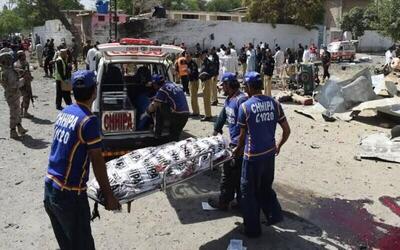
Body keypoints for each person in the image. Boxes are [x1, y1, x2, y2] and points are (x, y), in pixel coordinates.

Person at [44, 70, 121, 250]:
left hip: (50, 189)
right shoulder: (88, 121)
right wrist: (109, 196)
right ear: (94, 91)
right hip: (69, 195)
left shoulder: (66, 112)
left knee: (68, 245)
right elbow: (97, 161)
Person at [234, 71, 291, 238]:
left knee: (248, 192)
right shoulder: (274, 103)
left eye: (246, 86)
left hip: (252, 158)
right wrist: (278, 146)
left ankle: (252, 229)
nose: (245, 89)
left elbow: (242, 138)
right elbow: (287, 130)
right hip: (269, 155)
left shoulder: (245, 107)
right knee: (265, 188)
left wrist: (236, 152)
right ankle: (274, 215)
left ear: (250, 87)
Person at [209, 72, 248, 210]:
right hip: (235, 143)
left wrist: (241, 145)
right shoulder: (229, 99)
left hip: (241, 145)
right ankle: (238, 201)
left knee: (228, 173)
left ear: (229, 85)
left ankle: (224, 202)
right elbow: (222, 116)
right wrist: (215, 131)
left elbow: (248, 125)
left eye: (223, 85)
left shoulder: (241, 100)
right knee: (236, 174)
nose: (222, 88)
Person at [141, 74, 189, 141]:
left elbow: (154, 104)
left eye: (153, 84)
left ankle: (157, 133)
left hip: (177, 115)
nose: (153, 86)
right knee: (175, 136)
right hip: (185, 115)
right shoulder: (173, 85)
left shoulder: (162, 89)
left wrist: (146, 112)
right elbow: (167, 97)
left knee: (158, 107)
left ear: (155, 84)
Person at [0, 51, 28, 139]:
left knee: (17, 111)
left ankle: (19, 127)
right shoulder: (8, 72)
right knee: (14, 112)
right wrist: (23, 80)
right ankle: (13, 131)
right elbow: (14, 85)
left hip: (10, 94)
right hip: (12, 93)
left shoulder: (4, 71)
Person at [14, 50, 34, 118]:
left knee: (24, 97)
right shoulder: (22, 64)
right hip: (24, 83)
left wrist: (30, 76)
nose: (25, 56)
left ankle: (22, 112)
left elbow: (27, 72)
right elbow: (24, 73)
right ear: (20, 56)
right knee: (27, 97)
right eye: (23, 55)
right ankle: (25, 112)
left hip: (21, 83)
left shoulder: (16, 63)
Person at [199, 50, 213, 121]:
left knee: (206, 99)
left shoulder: (208, 62)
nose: (200, 56)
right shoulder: (203, 62)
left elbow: (211, 72)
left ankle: (208, 115)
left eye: (202, 55)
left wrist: (205, 75)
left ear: (204, 54)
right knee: (205, 99)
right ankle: (208, 114)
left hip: (206, 81)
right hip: (203, 81)